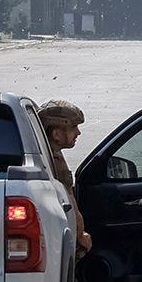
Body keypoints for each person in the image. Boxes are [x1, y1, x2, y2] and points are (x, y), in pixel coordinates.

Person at [37, 99, 92, 255]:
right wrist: (80, 235)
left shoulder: (52, 154)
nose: (78, 133)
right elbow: (68, 200)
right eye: (73, 128)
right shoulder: (50, 161)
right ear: (56, 134)